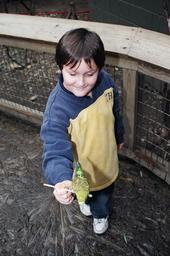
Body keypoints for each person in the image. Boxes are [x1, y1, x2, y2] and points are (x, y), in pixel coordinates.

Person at [40, 28, 124, 234]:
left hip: (105, 161)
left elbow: (115, 111)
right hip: (77, 171)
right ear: (61, 67)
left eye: (90, 73)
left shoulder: (107, 83)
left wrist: (119, 136)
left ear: (100, 68)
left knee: (103, 196)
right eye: (72, 73)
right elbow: (54, 149)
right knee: (82, 192)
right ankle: (84, 201)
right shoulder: (57, 109)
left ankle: (101, 215)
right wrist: (61, 178)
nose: (81, 82)